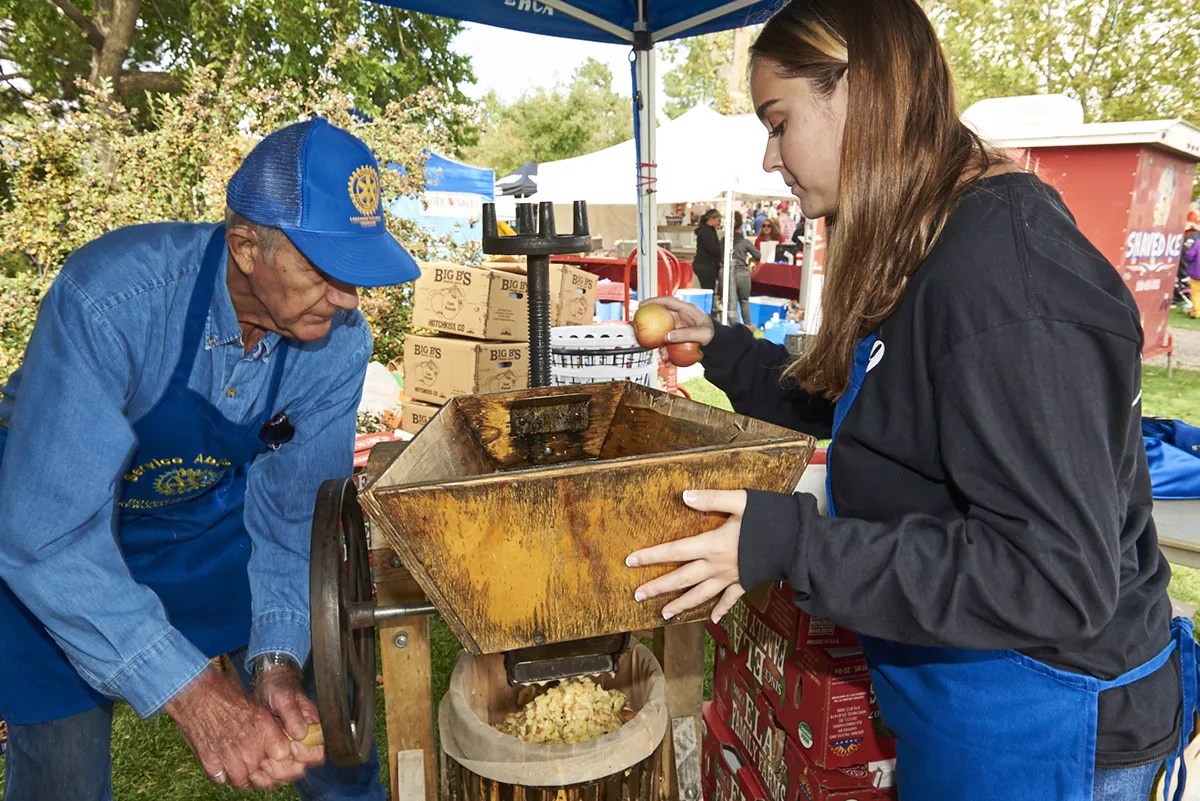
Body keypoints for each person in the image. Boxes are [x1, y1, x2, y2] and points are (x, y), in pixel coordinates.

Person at [623, 2, 1194, 800]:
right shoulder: (926, 237)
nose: (768, 157)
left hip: (1051, 729)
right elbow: (870, 408)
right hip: (967, 706)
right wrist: (722, 347)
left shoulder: (1003, 269)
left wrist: (794, 543)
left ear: (860, 90)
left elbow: (1056, 574)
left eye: (779, 122)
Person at [0, 117, 417, 800]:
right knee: (61, 773)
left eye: (358, 275)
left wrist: (277, 657)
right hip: (51, 531)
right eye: (325, 270)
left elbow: (290, 517)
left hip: (206, 526)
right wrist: (193, 692)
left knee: (326, 714)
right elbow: (42, 533)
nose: (348, 298)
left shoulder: (338, 343)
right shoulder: (114, 302)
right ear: (247, 246)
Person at [719, 211, 761, 328]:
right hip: (742, 273)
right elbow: (758, 255)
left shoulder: (723, 241)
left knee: (729, 303)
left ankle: (735, 328)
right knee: (744, 301)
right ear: (740, 226)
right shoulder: (745, 242)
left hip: (726, 272)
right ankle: (748, 325)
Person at [692, 208, 724, 292]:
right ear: (711, 218)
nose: (719, 223)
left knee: (708, 289)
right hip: (706, 266)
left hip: (705, 265)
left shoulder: (708, 230)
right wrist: (722, 251)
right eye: (718, 220)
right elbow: (712, 248)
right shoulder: (706, 231)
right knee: (708, 290)